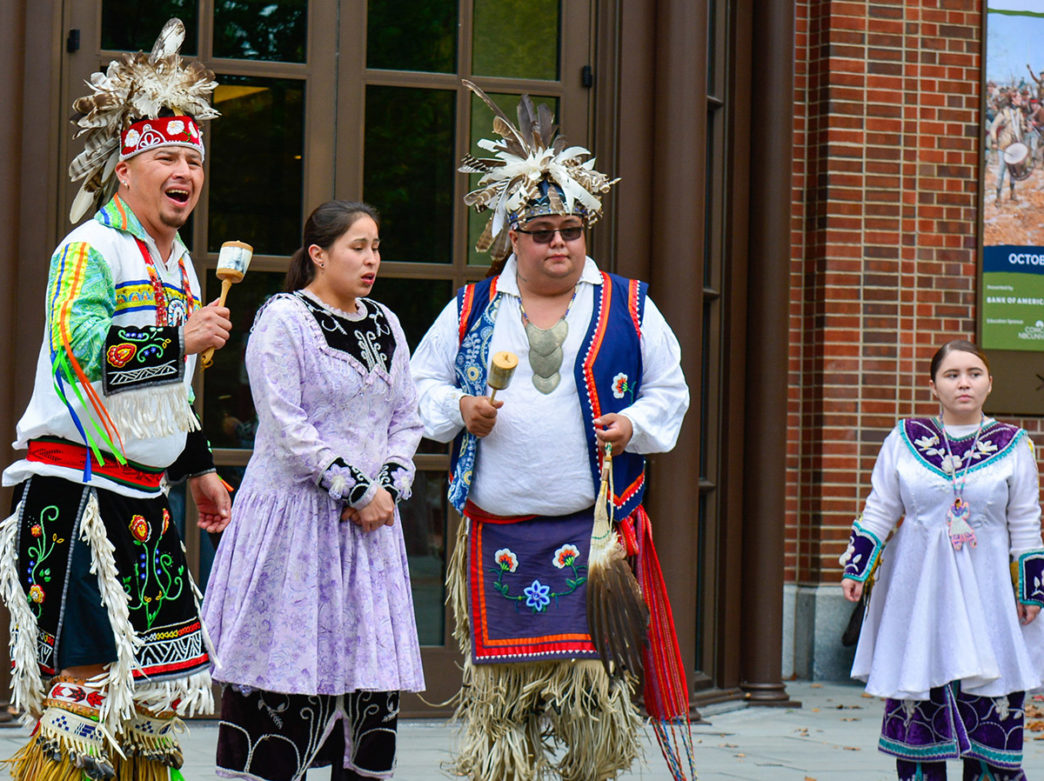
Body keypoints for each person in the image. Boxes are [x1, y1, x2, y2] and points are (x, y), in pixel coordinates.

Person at [411, 82, 692, 781]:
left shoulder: (628, 304)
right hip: (497, 530)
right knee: (504, 710)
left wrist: (634, 423)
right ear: (514, 235)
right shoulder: (473, 308)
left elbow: (672, 391)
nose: (559, 242)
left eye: (571, 230)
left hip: (594, 539)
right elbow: (418, 390)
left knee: (593, 708)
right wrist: (460, 411)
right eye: (541, 232)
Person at [0, 18, 233, 780]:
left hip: (144, 496)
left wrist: (197, 466)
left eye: (193, 160)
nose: (185, 173)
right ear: (126, 169)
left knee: (159, 689)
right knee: (89, 682)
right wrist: (180, 341)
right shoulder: (88, 249)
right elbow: (76, 351)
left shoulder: (183, 268)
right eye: (167, 156)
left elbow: (171, 393)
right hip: (74, 494)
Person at [202, 200, 425, 781]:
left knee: (364, 686)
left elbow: (406, 416)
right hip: (297, 524)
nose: (371, 259)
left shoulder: (386, 323)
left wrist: (388, 487)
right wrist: (352, 487)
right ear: (319, 254)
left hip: (368, 529)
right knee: (286, 668)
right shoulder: (284, 319)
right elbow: (284, 422)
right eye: (358, 246)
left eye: (376, 247)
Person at [840, 340, 1044, 781]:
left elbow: (1026, 524)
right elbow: (880, 507)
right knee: (921, 714)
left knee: (991, 715)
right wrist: (858, 567)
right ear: (933, 385)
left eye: (973, 373)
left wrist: (1032, 592)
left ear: (990, 383)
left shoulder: (1014, 446)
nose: (963, 383)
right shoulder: (906, 439)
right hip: (920, 594)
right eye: (951, 375)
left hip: (987, 593)